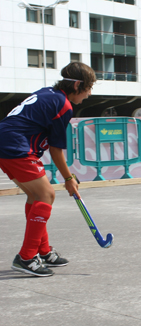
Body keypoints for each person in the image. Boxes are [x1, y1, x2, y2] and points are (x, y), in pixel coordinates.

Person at [0, 62, 96, 277]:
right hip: (15, 146)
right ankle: (26, 257)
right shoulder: (64, 105)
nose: (89, 94)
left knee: (36, 196)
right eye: (89, 88)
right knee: (47, 194)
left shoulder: (48, 93)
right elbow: (55, 150)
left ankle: (42, 251)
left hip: (7, 143)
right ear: (78, 85)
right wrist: (69, 178)